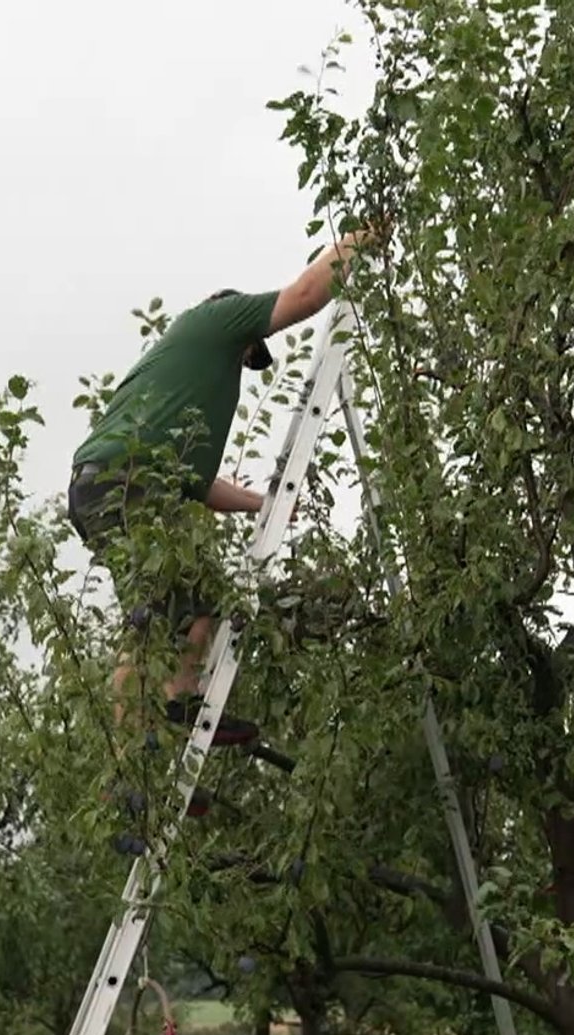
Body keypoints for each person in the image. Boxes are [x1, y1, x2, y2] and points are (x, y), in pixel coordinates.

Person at [68, 225, 381, 748]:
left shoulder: (177, 390)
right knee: (197, 595)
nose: (244, 359)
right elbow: (304, 295)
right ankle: (182, 695)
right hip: (127, 481)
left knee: (156, 616)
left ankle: (133, 770)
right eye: (248, 349)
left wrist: (266, 502)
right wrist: (360, 238)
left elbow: (200, 486)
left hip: (103, 485)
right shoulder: (213, 319)